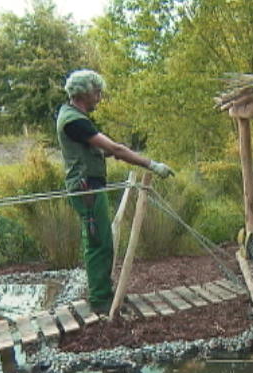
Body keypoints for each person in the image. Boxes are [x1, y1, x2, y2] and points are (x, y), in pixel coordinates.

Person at [57, 69, 175, 314]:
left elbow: (98, 148)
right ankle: (100, 299)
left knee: (99, 240)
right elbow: (116, 149)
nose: (99, 97)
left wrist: (105, 151)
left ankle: (104, 293)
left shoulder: (74, 117)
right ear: (84, 93)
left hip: (88, 186)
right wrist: (151, 164)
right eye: (96, 92)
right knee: (99, 243)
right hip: (85, 187)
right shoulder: (74, 120)